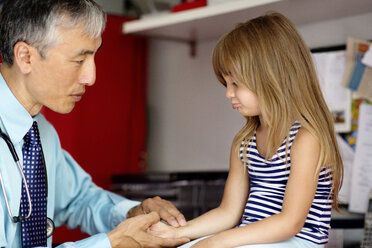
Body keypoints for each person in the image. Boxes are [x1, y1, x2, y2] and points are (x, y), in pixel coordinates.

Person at [0, 0, 190, 247]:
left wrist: (131, 213)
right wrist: (111, 243)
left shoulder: (40, 133)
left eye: (93, 56)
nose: (91, 77)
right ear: (26, 57)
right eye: (79, 60)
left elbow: (79, 200)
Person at [148, 12, 344, 248]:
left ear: (272, 77)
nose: (228, 93)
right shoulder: (244, 143)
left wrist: (214, 242)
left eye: (236, 84)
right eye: (226, 83)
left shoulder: (306, 139)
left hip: (297, 242)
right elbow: (228, 213)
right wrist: (176, 234)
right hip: (252, 240)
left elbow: (290, 222)